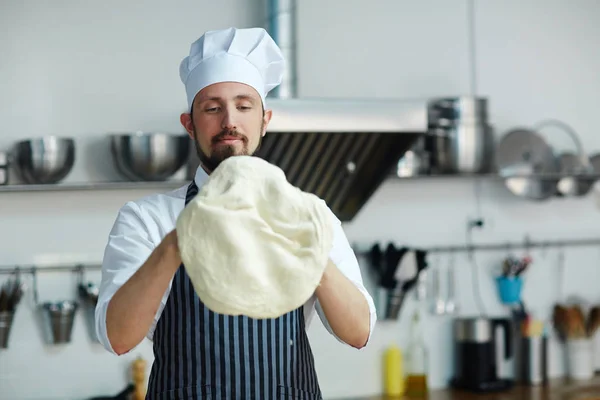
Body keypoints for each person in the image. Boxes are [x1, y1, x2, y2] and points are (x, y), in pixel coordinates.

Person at [95, 27, 377, 400]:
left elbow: (358, 332)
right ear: (189, 124)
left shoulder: (310, 214)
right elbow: (116, 337)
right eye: (212, 108)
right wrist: (179, 242)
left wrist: (306, 245)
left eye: (244, 106)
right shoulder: (147, 219)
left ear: (265, 120)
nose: (229, 120)